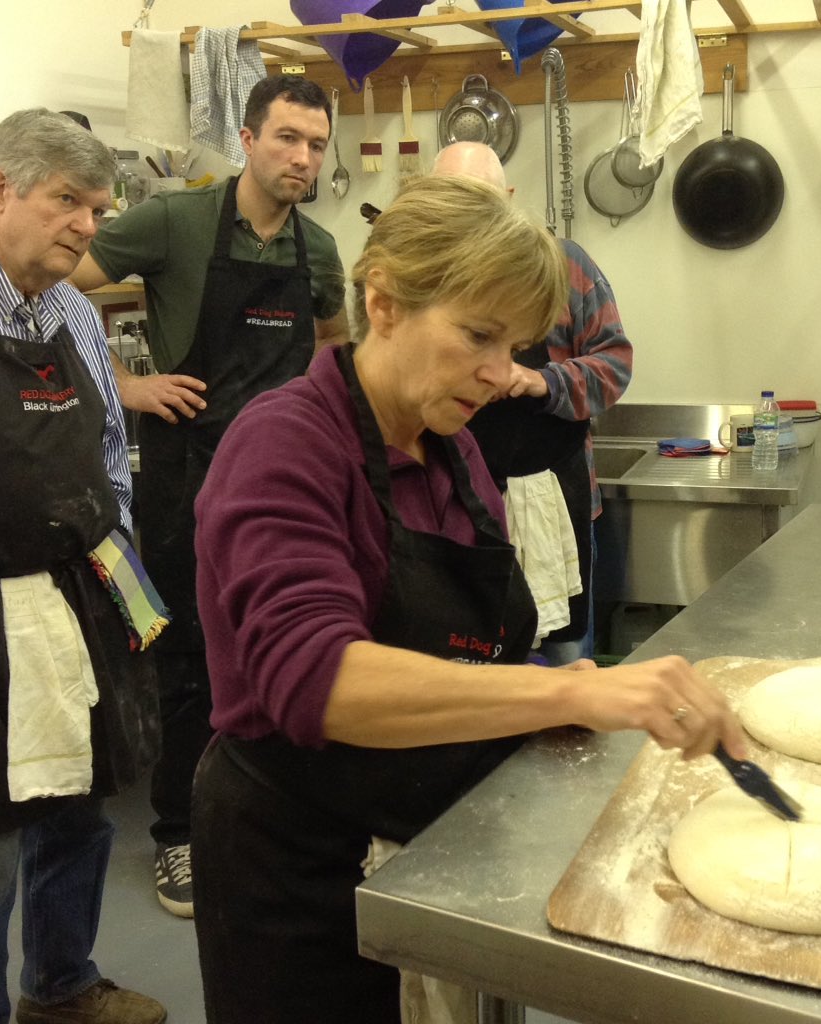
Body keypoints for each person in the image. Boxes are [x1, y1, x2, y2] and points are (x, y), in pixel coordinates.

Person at [188, 173, 745, 1024]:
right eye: (478, 335)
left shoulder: (451, 450)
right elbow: (318, 683)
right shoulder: (283, 444)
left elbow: (461, 649)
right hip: (296, 865)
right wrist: (563, 695)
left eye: (516, 347)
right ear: (383, 303)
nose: (499, 373)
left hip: (427, 839)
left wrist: (556, 688)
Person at [68, 74, 349, 918]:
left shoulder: (319, 249)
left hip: (286, 480)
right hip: (188, 472)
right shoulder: (176, 221)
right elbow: (51, 284)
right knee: (187, 658)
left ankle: (268, 815)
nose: (302, 158)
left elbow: (335, 348)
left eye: (316, 145)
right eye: (288, 138)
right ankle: (179, 835)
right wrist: (127, 387)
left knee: (284, 640)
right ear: (249, 138)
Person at [0, 109, 166, 1024]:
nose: (88, 227)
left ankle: (59, 987)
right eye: (68, 202)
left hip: (77, 596)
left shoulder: (76, 317)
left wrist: (116, 568)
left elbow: (105, 456)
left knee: (79, 802)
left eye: (98, 210)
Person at [435, 142, 633, 665]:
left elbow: (615, 366)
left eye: (481, 199)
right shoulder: (425, 277)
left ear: (507, 197)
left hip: (558, 506)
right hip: (457, 515)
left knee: (568, 667)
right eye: (453, 198)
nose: (469, 215)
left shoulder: (565, 266)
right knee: (474, 668)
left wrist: (543, 381)